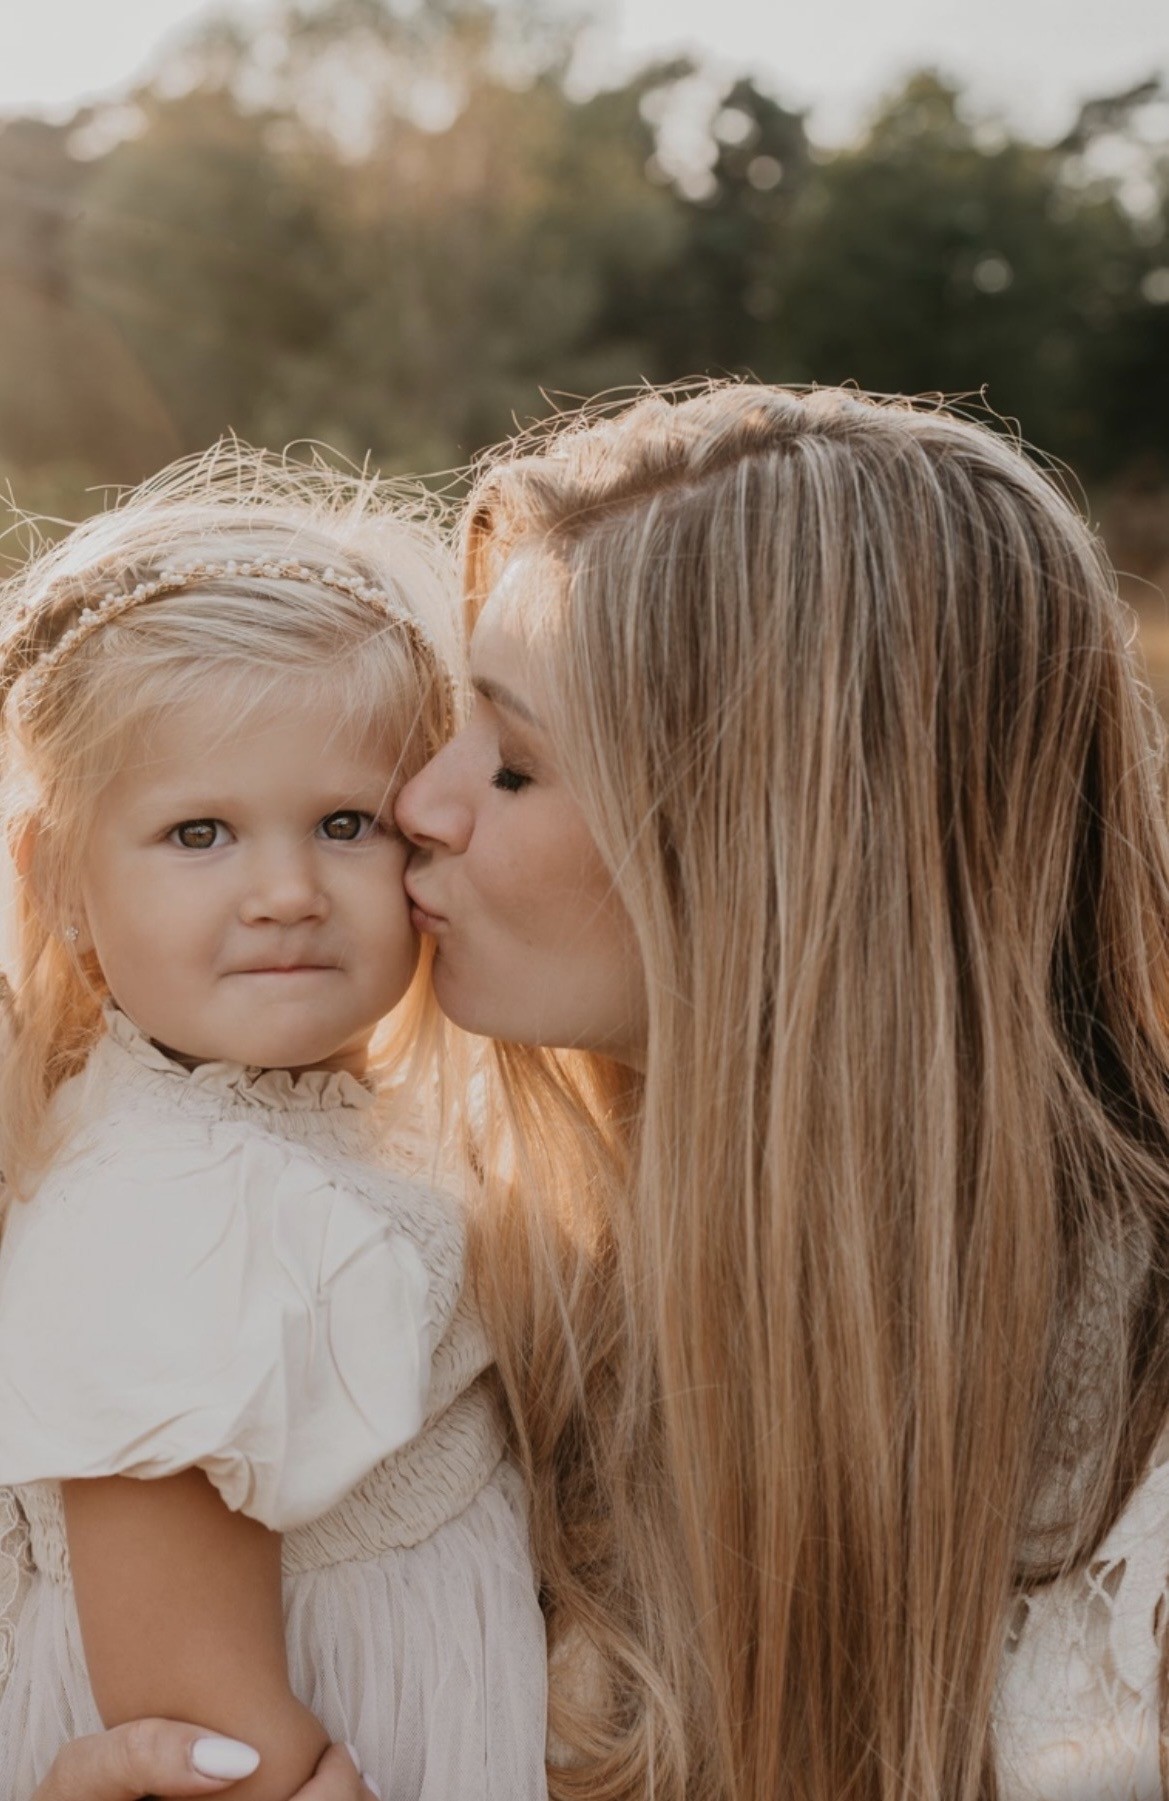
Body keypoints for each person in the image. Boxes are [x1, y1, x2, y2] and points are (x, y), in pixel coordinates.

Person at [26, 380, 1169, 1800]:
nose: (417, 807)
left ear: (765, 860)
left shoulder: (1126, 1492)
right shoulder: (505, 1251)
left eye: (511, 764)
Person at [0, 447, 548, 1801]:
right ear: (57, 879)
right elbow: (196, 1723)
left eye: (345, 822)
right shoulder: (173, 1209)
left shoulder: (319, 1137)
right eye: (201, 833)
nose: (289, 890)